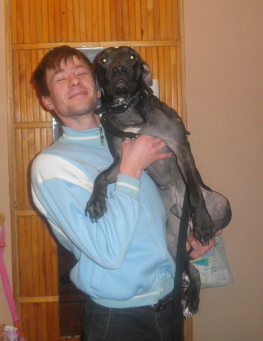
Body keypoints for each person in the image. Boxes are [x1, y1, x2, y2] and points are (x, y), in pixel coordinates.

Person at [30, 45, 214, 341]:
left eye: (80, 72)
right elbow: (108, 251)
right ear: (47, 100)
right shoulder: (51, 166)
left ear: (98, 85)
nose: (74, 80)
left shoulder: (129, 137)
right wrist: (131, 166)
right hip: (119, 321)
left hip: (169, 306)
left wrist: (185, 240)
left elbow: (155, 214)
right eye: (61, 78)